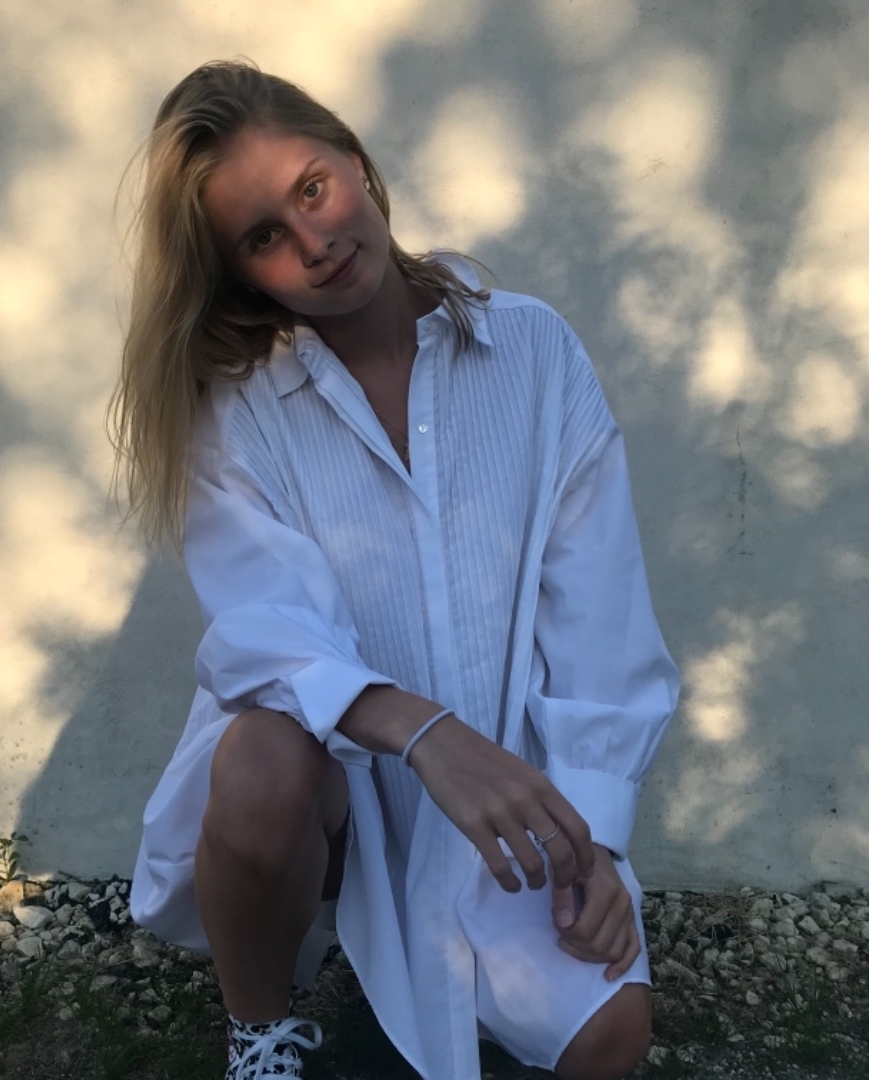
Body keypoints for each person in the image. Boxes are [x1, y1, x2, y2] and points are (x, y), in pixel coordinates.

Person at [111, 59, 680, 1080]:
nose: (314, 242)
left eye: (313, 189)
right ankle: (260, 1029)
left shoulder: (533, 351)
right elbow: (266, 631)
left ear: (357, 163)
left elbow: (599, 616)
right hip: (333, 795)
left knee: (614, 1040)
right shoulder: (238, 405)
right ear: (239, 273)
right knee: (264, 759)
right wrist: (424, 733)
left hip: (502, 799)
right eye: (264, 237)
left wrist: (593, 838)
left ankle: (475, 959)